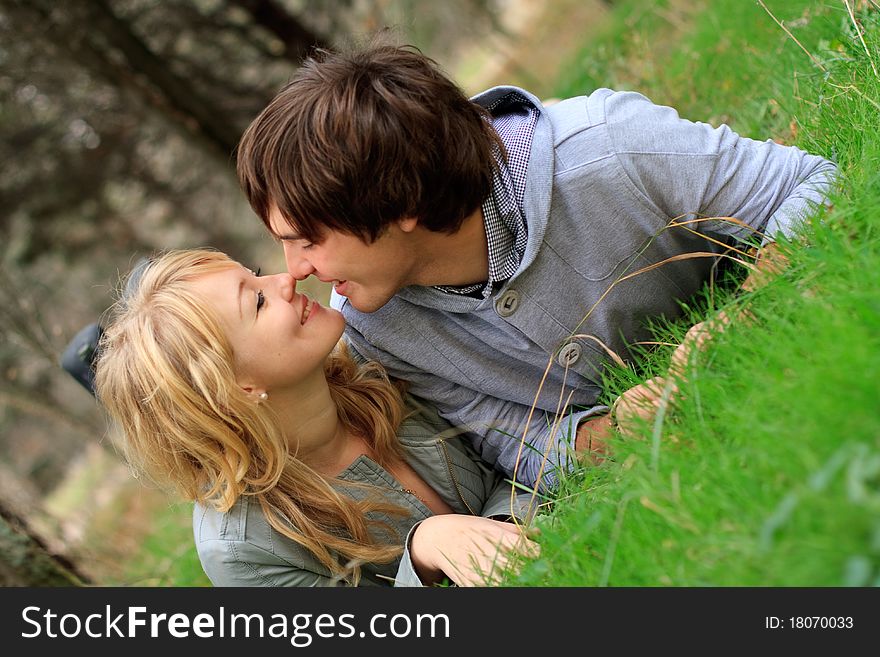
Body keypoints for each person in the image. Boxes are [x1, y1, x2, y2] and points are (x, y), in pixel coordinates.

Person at [235, 41, 838, 492]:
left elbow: (813, 183)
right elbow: (500, 437)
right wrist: (609, 435)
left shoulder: (609, 149)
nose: (296, 271)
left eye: (309, 238)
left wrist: (747, 317)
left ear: (402, 204)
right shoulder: (375, 328)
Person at [93, 248, 541, 587]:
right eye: (259, 303)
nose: (286, 279)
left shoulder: (380, 369)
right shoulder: (242, 551)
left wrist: (497, 528)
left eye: (256, 278)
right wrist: (424, 554)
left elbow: (509, 454)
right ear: (235, 389)